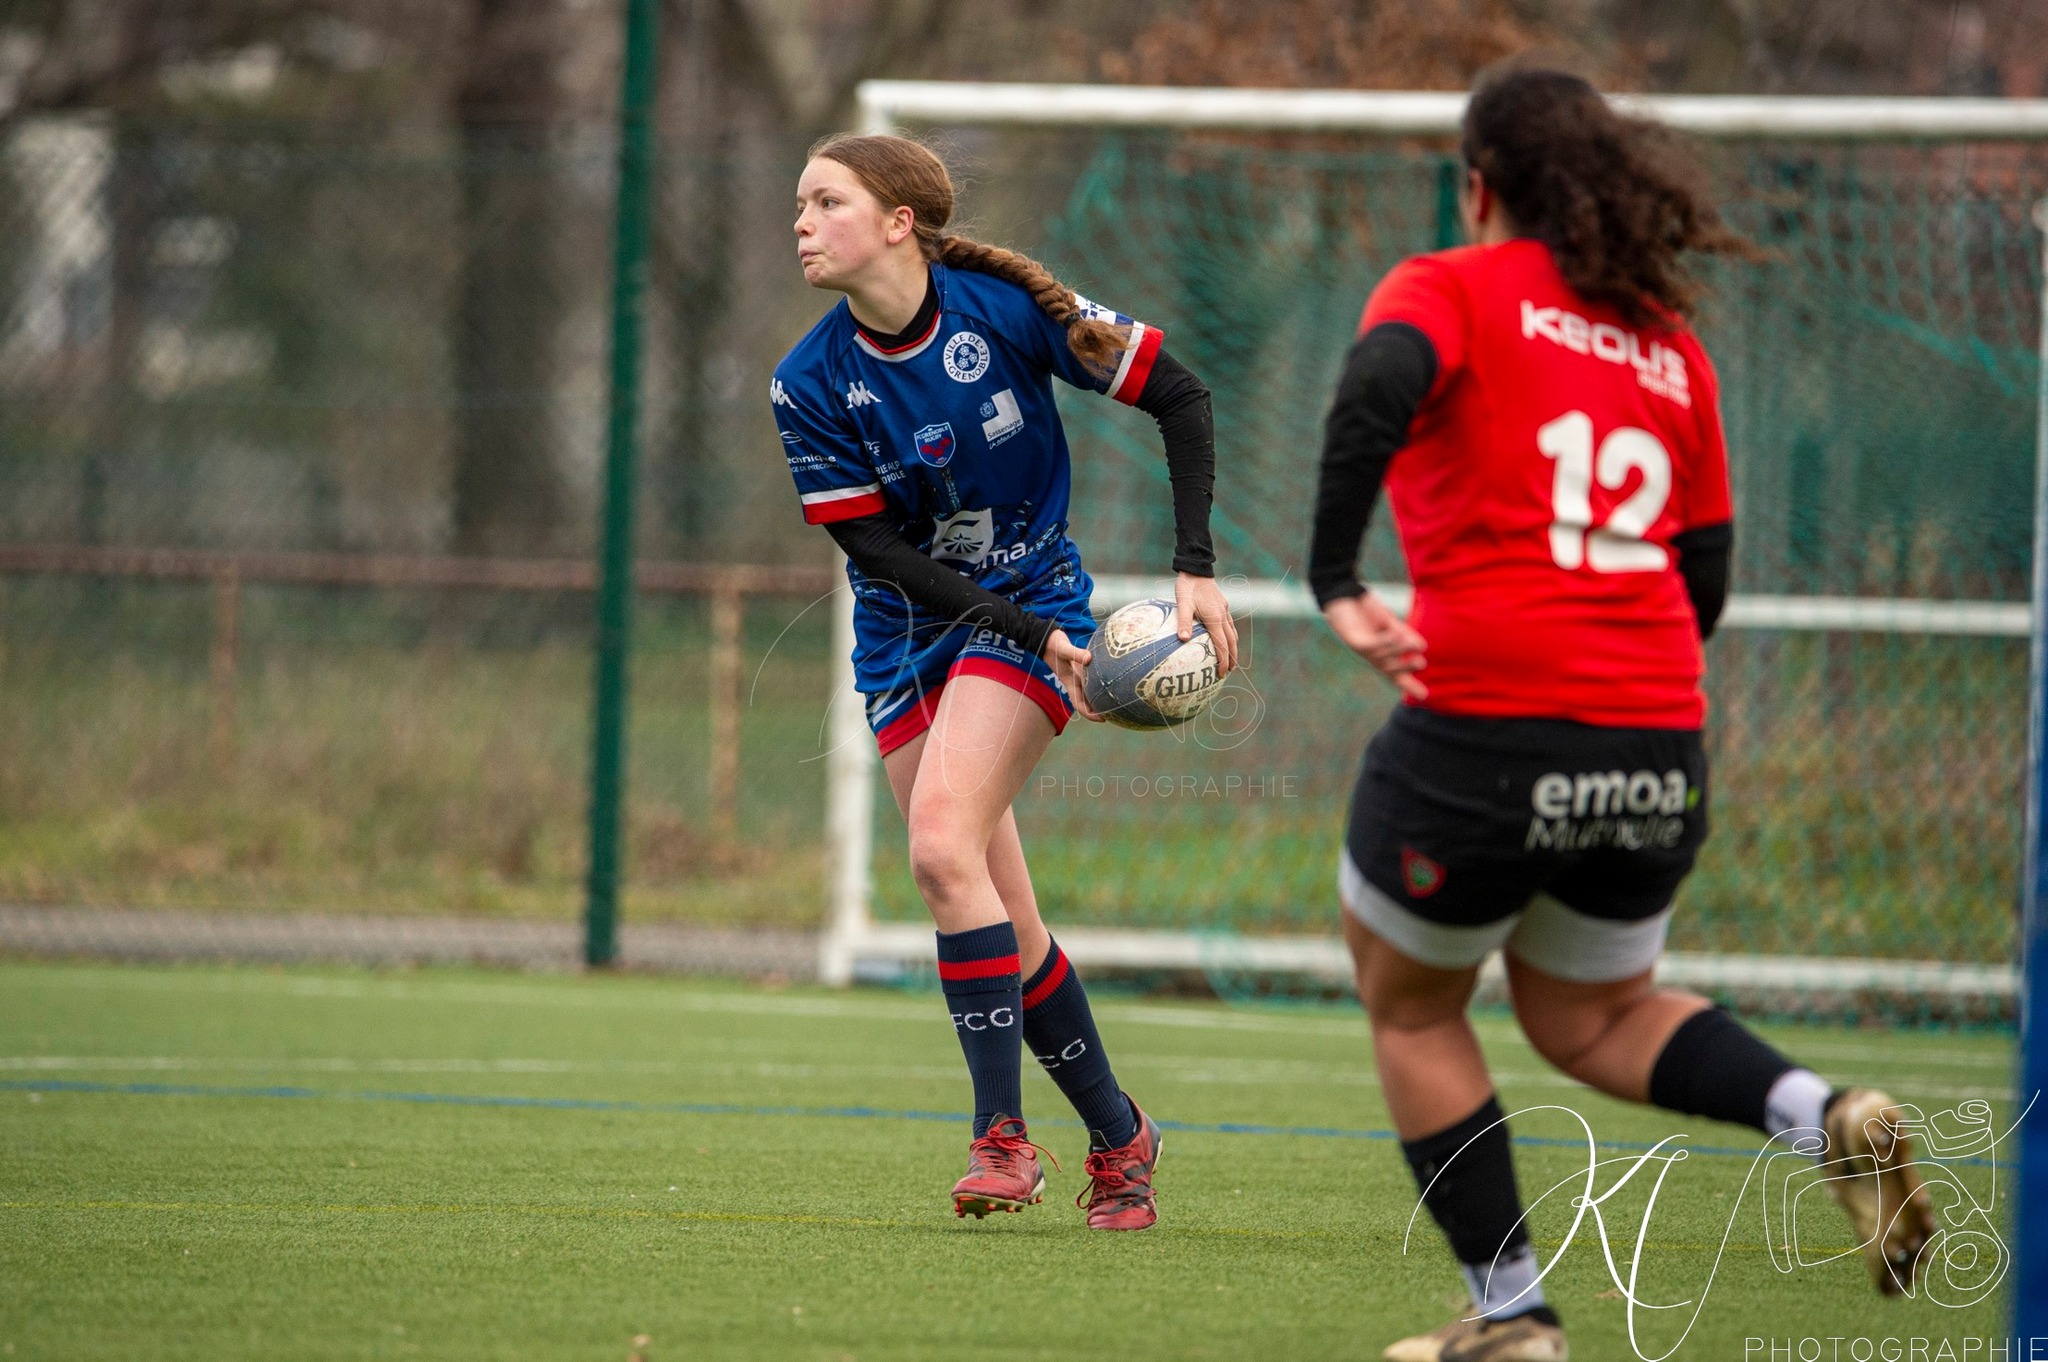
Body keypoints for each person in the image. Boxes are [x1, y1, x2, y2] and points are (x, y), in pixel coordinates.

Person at [1307, 68, 1936, 1362]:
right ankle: (1821, 1112)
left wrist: (1337, 581)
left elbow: (1376, 383)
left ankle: (1511, 1318)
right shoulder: (1669, 344)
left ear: (1479, 186)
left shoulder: (1448, 286)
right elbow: (1702, 578)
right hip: (1655, 732)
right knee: (1589, 1015)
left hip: (1488, 723)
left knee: (1413, 1004)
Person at [771, 132, 1238, 1230]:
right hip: (905, 638)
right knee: (993, 912)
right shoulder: (806, 381)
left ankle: (1002, 1140)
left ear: (899, 223)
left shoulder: (1004, 308)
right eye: (800, 204)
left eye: (826, 202)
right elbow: (875, 552)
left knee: (940, 847)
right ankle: (1120, 1137)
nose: (801, 223)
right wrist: (1016, 627)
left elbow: (1179, 395)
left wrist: (1193, 570)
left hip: (1033, 606)